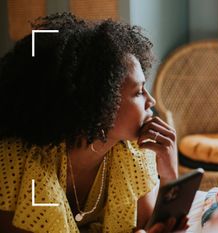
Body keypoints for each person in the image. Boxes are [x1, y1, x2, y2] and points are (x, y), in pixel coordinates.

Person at [0, 13, 186, 233]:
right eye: (138, 92)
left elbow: (152, 226)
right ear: (99, 102)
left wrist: (169, 175)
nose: (151, 100)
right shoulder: (16, 163)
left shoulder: (133, 154)